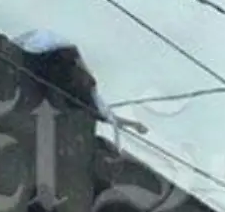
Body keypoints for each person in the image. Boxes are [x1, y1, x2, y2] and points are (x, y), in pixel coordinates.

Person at [10, 29, 149, 140]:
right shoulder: (68, 56)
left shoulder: (86, 90)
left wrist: (134, 125)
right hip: (46, 55)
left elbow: (107, 115)